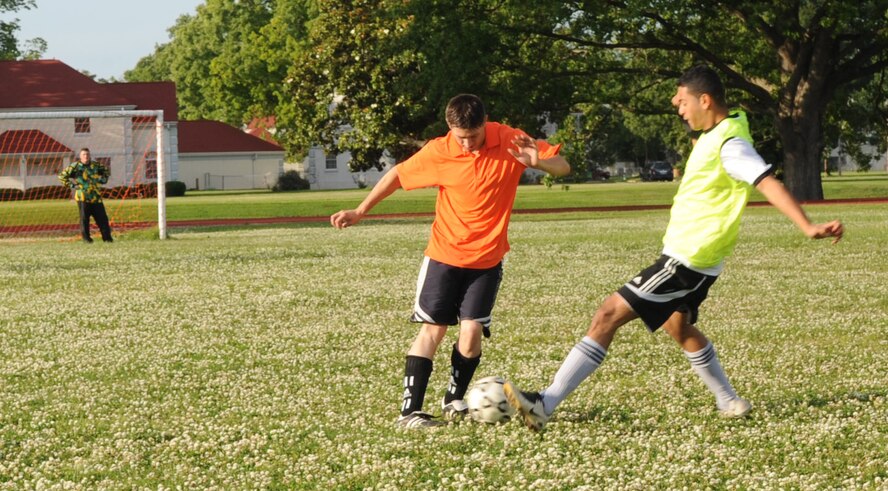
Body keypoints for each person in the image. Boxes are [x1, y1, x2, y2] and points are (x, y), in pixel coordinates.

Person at [504, 65, 844, 432]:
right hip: (702, 260)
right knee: (677, 326)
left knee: (606, 315)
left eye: (682, 101)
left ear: (705, 99)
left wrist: (807, 226)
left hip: (686, 259)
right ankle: (729, 400)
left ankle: (545, 403)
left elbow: (766, 182)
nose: (677, 107)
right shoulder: (723, 128)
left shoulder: (732, 145)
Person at [331, 94, 570, 428]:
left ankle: (453, 399)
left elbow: (563, 165)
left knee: (471, 334)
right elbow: (397, 175)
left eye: (474, 136)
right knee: (434, 329)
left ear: (486, 123)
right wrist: (360, 210)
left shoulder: (510, 139)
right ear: (449, 129)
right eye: (461, 137)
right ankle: (409, 412)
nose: (469, 144)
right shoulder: (440, 150)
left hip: (487, 260)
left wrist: (537, 162)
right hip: (444, 255)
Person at [58, 148, 113, 243]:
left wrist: (102, 180)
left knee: (102, 219)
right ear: (80, 156)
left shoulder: (95, 165)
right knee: (84, 219)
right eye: (83, 154)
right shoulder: (75, 167)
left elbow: (106, 172)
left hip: (95, 197)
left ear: (90, 155)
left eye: (87, 154)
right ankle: (87, 240)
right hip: (82, 197)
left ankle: (107, 239)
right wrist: (72, 185)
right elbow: (62, 176)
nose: (86, 156)